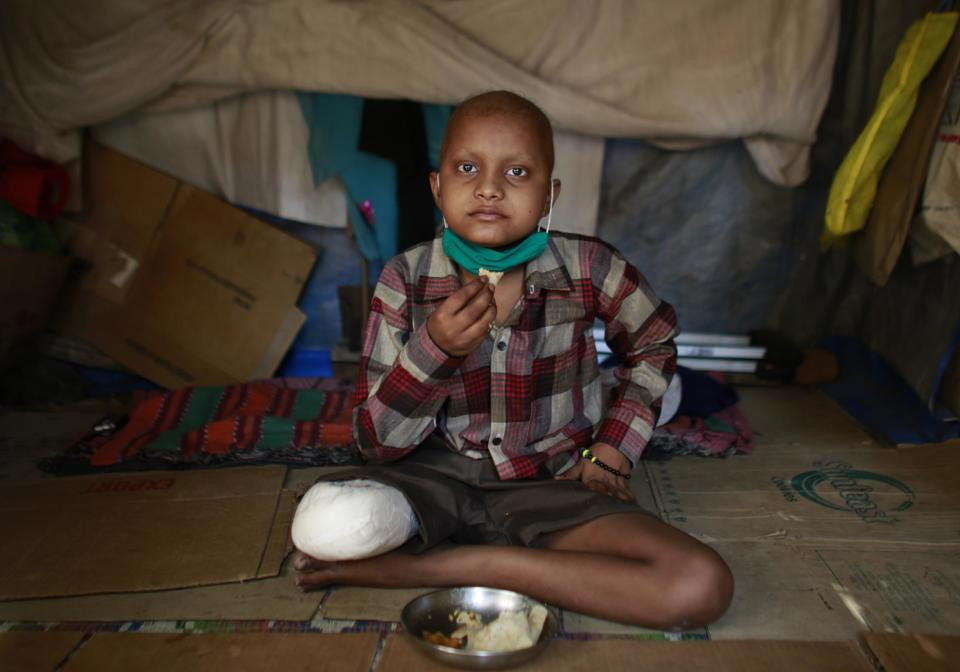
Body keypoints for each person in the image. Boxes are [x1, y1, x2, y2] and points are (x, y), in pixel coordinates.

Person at [292, 90, 733, 629]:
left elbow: (654, 342)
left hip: (553, 485)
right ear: (437, 186)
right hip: (429, 482)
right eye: (468, 167)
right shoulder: (404, 279)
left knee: (700, 585)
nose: (489, 187)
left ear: (550, 195)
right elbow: (374, 442)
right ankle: (523, 567)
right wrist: (436, 351)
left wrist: (611, 454)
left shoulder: (590, 266)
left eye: (518, 172)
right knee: (324, 528)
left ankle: (434, 567)